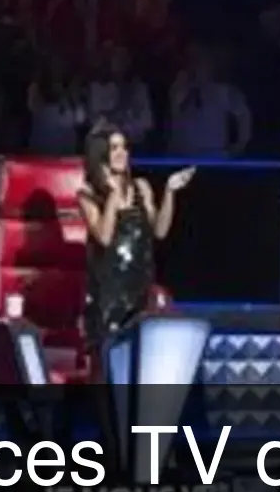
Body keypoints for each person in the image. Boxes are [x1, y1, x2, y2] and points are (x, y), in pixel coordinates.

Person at [77, 121, 194, 352]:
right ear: (100, 154)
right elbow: (104, 237)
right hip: (107, 294)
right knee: (109, 356)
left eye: (124, 147)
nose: (122, 153)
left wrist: (169, 191)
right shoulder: (87, 195)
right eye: (114, 148)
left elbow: (160, 231)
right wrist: (113, 195)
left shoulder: (142, 187)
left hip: (140, 288)